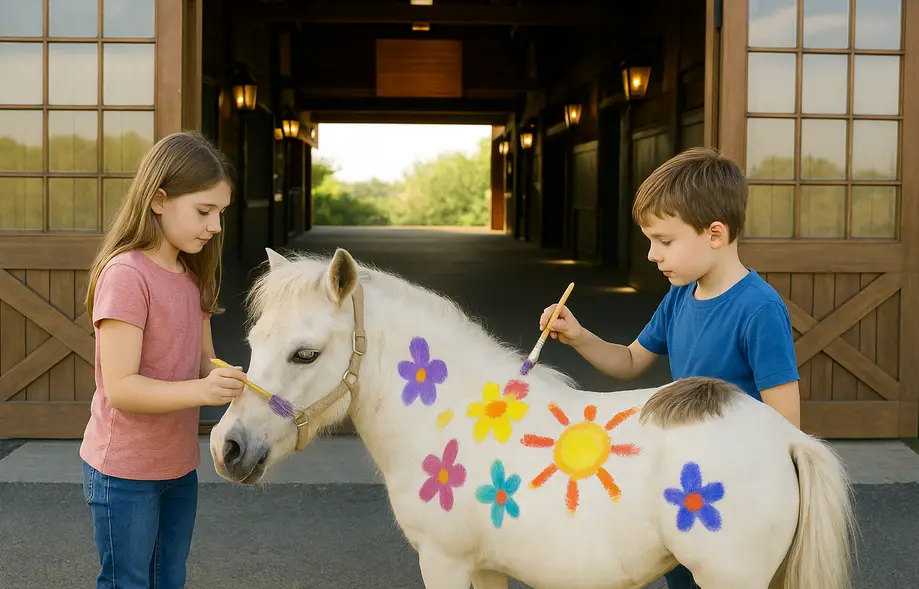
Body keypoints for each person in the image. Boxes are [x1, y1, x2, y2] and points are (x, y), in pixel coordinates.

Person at [537, 146, 800, 589]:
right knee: (678, 574)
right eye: (649, 241)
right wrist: (579, 336)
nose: (651, 255)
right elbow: (630, 361)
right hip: (684, 475)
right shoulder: (679, 297)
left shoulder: (759, 309)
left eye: (664, 241)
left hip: (735, 483)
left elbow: (787, 421)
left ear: (715, 234)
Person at [79, 131, 249, 589]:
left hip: (177, 466)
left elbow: (204, 362)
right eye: (203, 211)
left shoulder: (192, 277)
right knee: (127, 582)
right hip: (124, 471)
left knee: (168, 578)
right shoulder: (126, 275)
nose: (215, 225)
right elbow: (121, 388)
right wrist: (201, 391)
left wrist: (232, 377)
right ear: (158, 200)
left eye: (220, 213)